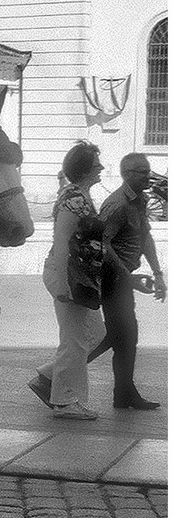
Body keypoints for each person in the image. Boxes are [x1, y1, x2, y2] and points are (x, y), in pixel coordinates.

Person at [28, 142, 108, 420]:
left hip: (81, 275)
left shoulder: (81, 196)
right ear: (86, 169)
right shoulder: (74, 199)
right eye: (97, 164)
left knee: (95, 334)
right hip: (69, 274)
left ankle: (47, 377)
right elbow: (61, 241)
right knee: (74, 340)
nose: (101, 168)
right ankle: (65, 402)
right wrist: (61, 283)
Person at [89, 153, 165, 409]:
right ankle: (54, 372)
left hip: (124, 279)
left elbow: (145, 238)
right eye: (141, 171)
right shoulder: (117, 204)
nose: (147, 175)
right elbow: (103, 245)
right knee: (120, 336)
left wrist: (158, 273)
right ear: (126, 174)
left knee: (122, 337)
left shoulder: (140, 201)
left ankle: (123, 394)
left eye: (147, 170)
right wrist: (127, 278)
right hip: (112, 279)